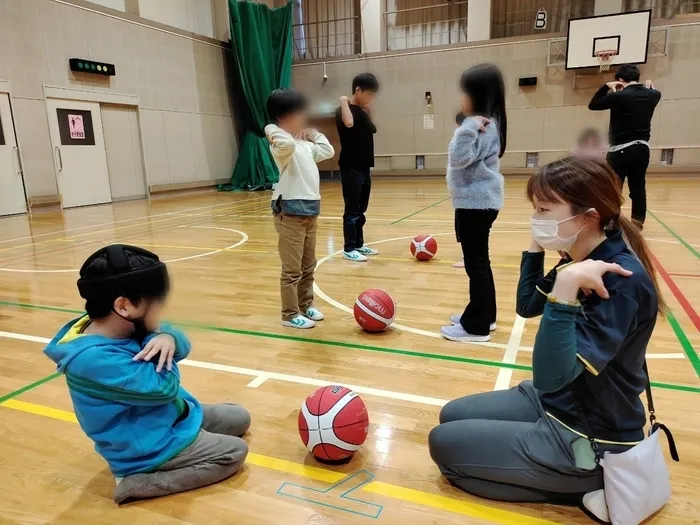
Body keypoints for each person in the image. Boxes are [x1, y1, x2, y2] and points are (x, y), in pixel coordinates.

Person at [429, 157, 665, 522]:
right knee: (450, 416)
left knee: (444, 450)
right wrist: (538, 245)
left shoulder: (619, 279)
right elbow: (526, 305)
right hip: (559, 401)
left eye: (543, 210)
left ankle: (587, 482)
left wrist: (566, 290)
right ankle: (564, 475)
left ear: (586, 216)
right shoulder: (585, 251)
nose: (535, 218)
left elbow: (552, 375)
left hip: (588, 430)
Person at [44, 245, 251, 504]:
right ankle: (137, 482)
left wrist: (167, 337)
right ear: (124, 306)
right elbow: (165, 387)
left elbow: (179, 344)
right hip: (148, 446)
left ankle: (189, 432)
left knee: (240, 417)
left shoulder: (114, 322)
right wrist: (157, 342)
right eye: (157, 305)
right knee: (234, 453)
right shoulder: (94, 360)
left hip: (166, 417)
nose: (161, 313)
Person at [441, 63, 507, 343]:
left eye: (464, 92)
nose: (461, 98)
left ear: (477, 95)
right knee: (479, 263)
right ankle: (485, 315)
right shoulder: (490, 122)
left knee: (476, 264)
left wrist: (466, 126)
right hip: (479, 202)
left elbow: (458, 158)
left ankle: (477, 326)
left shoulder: (480, 126)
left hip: (475, 204)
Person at [266, 88, 335, 329]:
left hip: (310, 212)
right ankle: (289, 314)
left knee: (308, 266)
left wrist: (314, 134)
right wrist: (272, 128)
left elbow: (328, 151)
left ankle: (306, 305)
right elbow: (285, 143)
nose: (304, 117)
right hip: (290, 215)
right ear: (284, 115)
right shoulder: (282, 146)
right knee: (292, 270)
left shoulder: (303, 145)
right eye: (299, 112)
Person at [588, 64, 661, 227]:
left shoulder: (619, 96)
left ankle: (611, 221)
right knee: (638, 187)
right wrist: (649, 87)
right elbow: (653, 92)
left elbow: (593, 105)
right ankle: (637, 223)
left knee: (614, 188)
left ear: (620, 80)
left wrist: (606, 86)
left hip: (620, 150)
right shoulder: (654, 95)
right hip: (642, 149)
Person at [335, 73, 380, 262]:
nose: (371, 98)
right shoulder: (343, 110)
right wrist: (344, 101)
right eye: (369, 93)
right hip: (351, 167)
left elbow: (374, 129)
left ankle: (359, 244)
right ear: (358, 90)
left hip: (364, 167)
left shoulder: (362, 110)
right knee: (352, 210)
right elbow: (349, 123)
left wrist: (368, 112)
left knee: (361, 209)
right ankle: (349, 248)